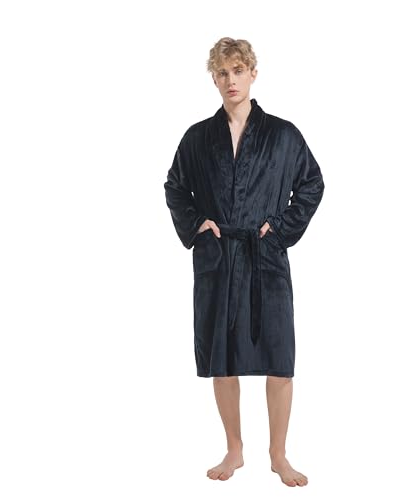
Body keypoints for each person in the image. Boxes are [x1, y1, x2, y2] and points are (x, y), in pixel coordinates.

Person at [164, 37, 325, 487]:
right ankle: (234, 449)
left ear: (253, 73)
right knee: (223, 359)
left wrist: (281, 227)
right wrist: (197, 224)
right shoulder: (197, 138)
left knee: (280, 357)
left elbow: (312, 184)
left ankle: (278, 454)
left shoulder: (283, 135)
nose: (230, 80)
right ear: (214, 79)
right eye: (222, 73)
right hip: (219, 259)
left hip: (264, 258)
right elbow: (175, 186)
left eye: (238, 70)